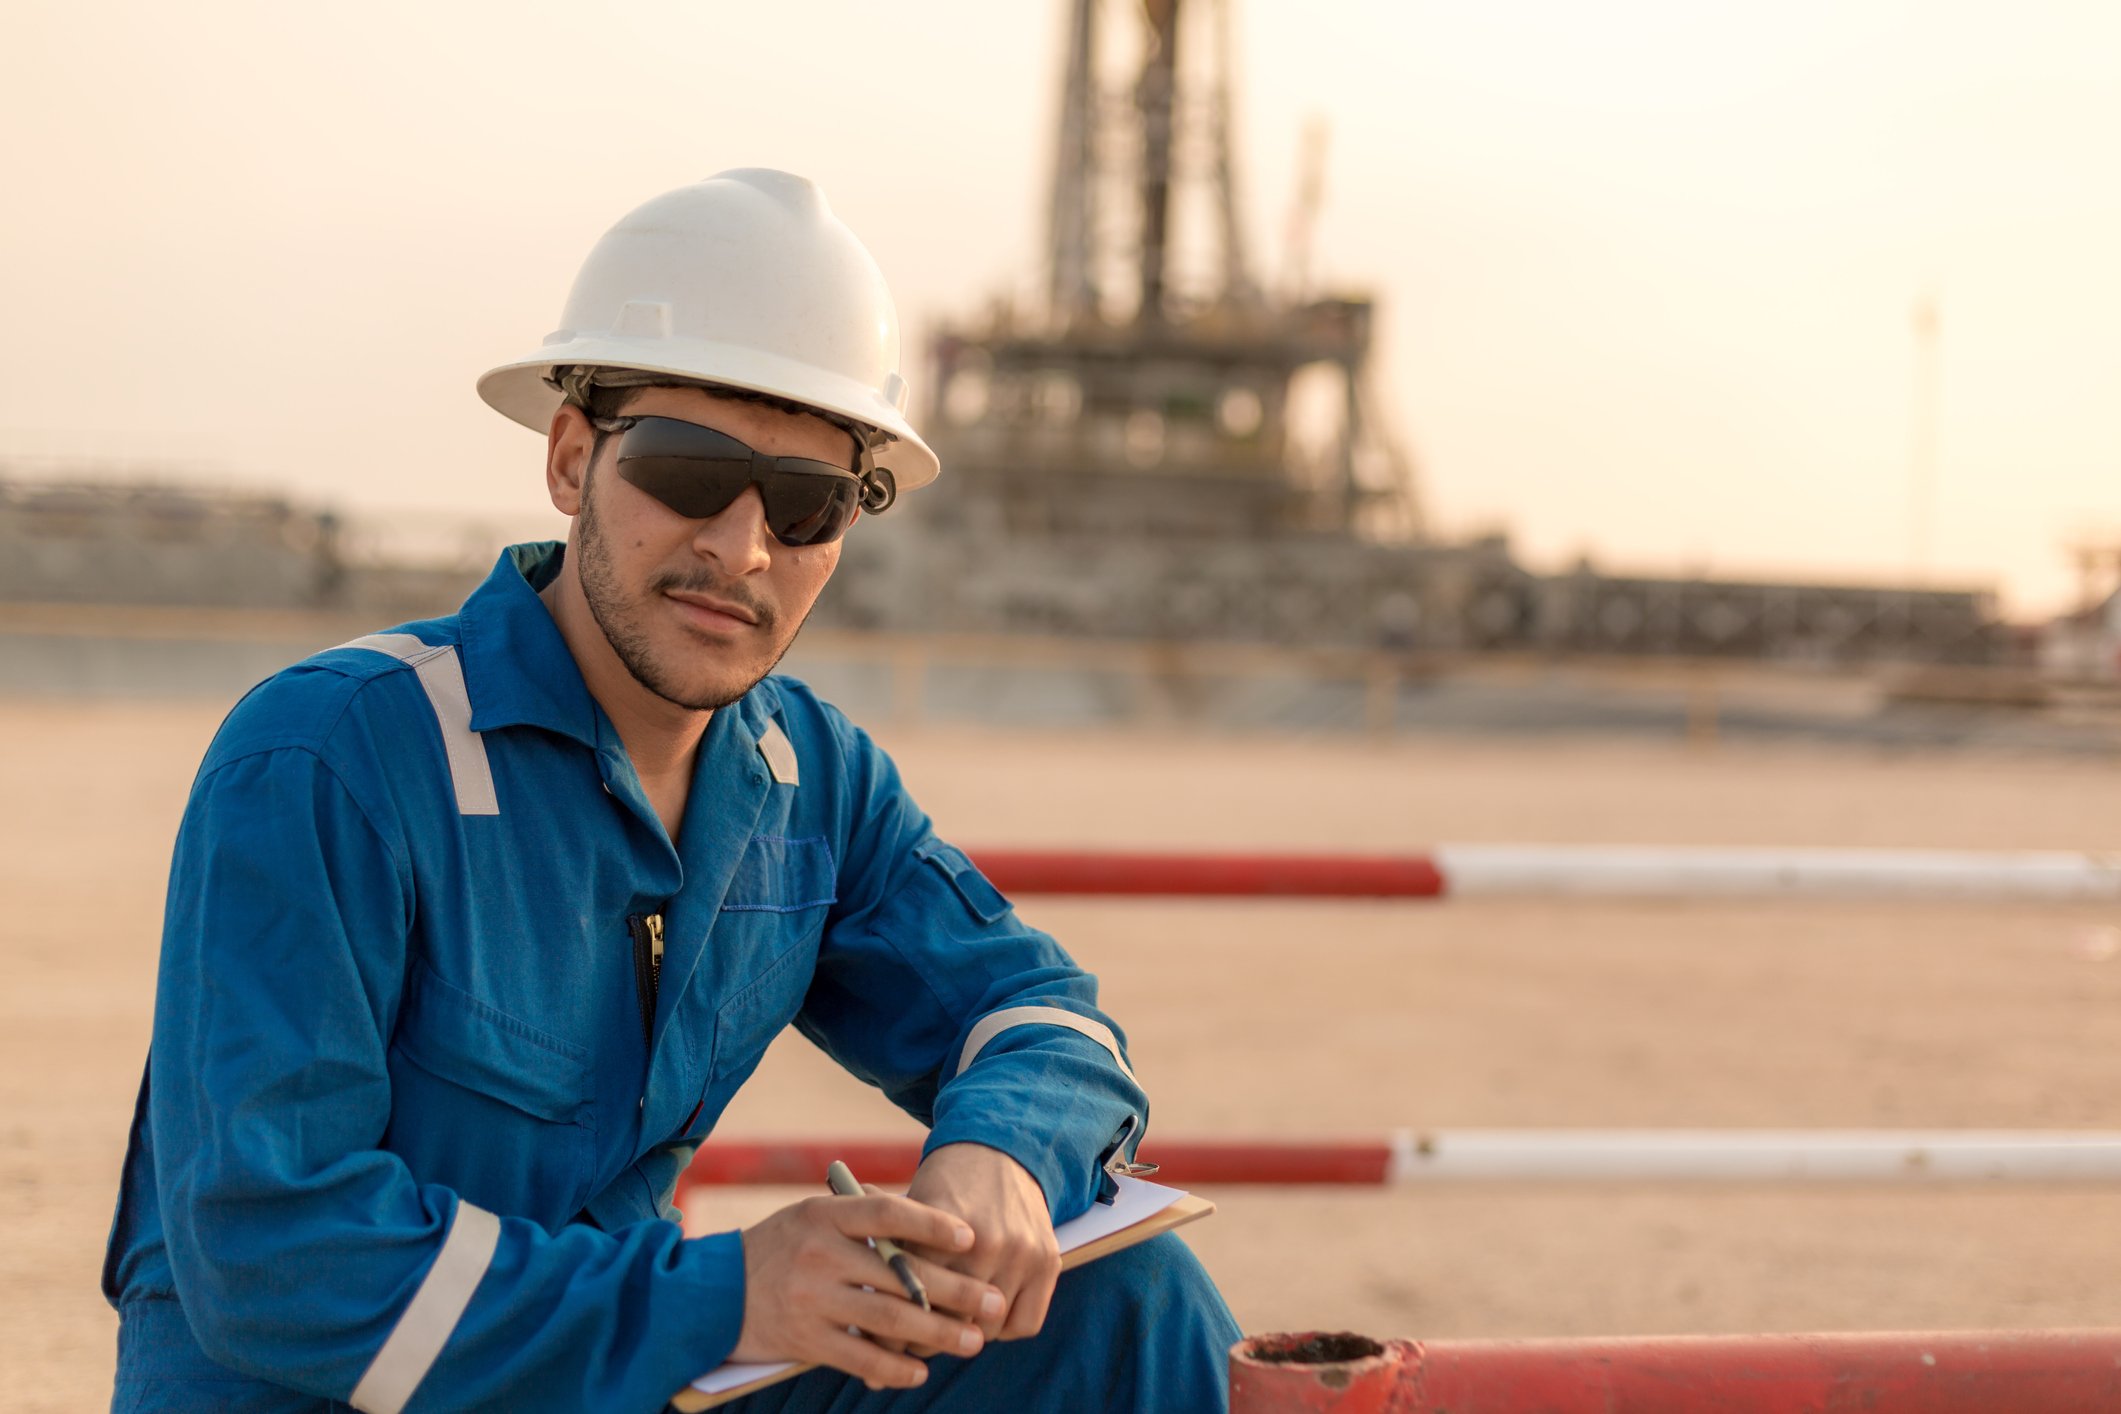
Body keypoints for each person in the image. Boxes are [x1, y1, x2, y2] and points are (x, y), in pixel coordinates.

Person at [102, 169, 1240, 1412]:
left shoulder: (807, 782)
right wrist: (731, 1295)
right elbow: (274, 1255)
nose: (741, 548)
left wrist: (1003, 1163)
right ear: (571, 456)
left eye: (806, 504)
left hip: (614, 1378)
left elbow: (1037, 1010)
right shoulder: (333, 757)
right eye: (691, 473)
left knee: (1131, 1307)